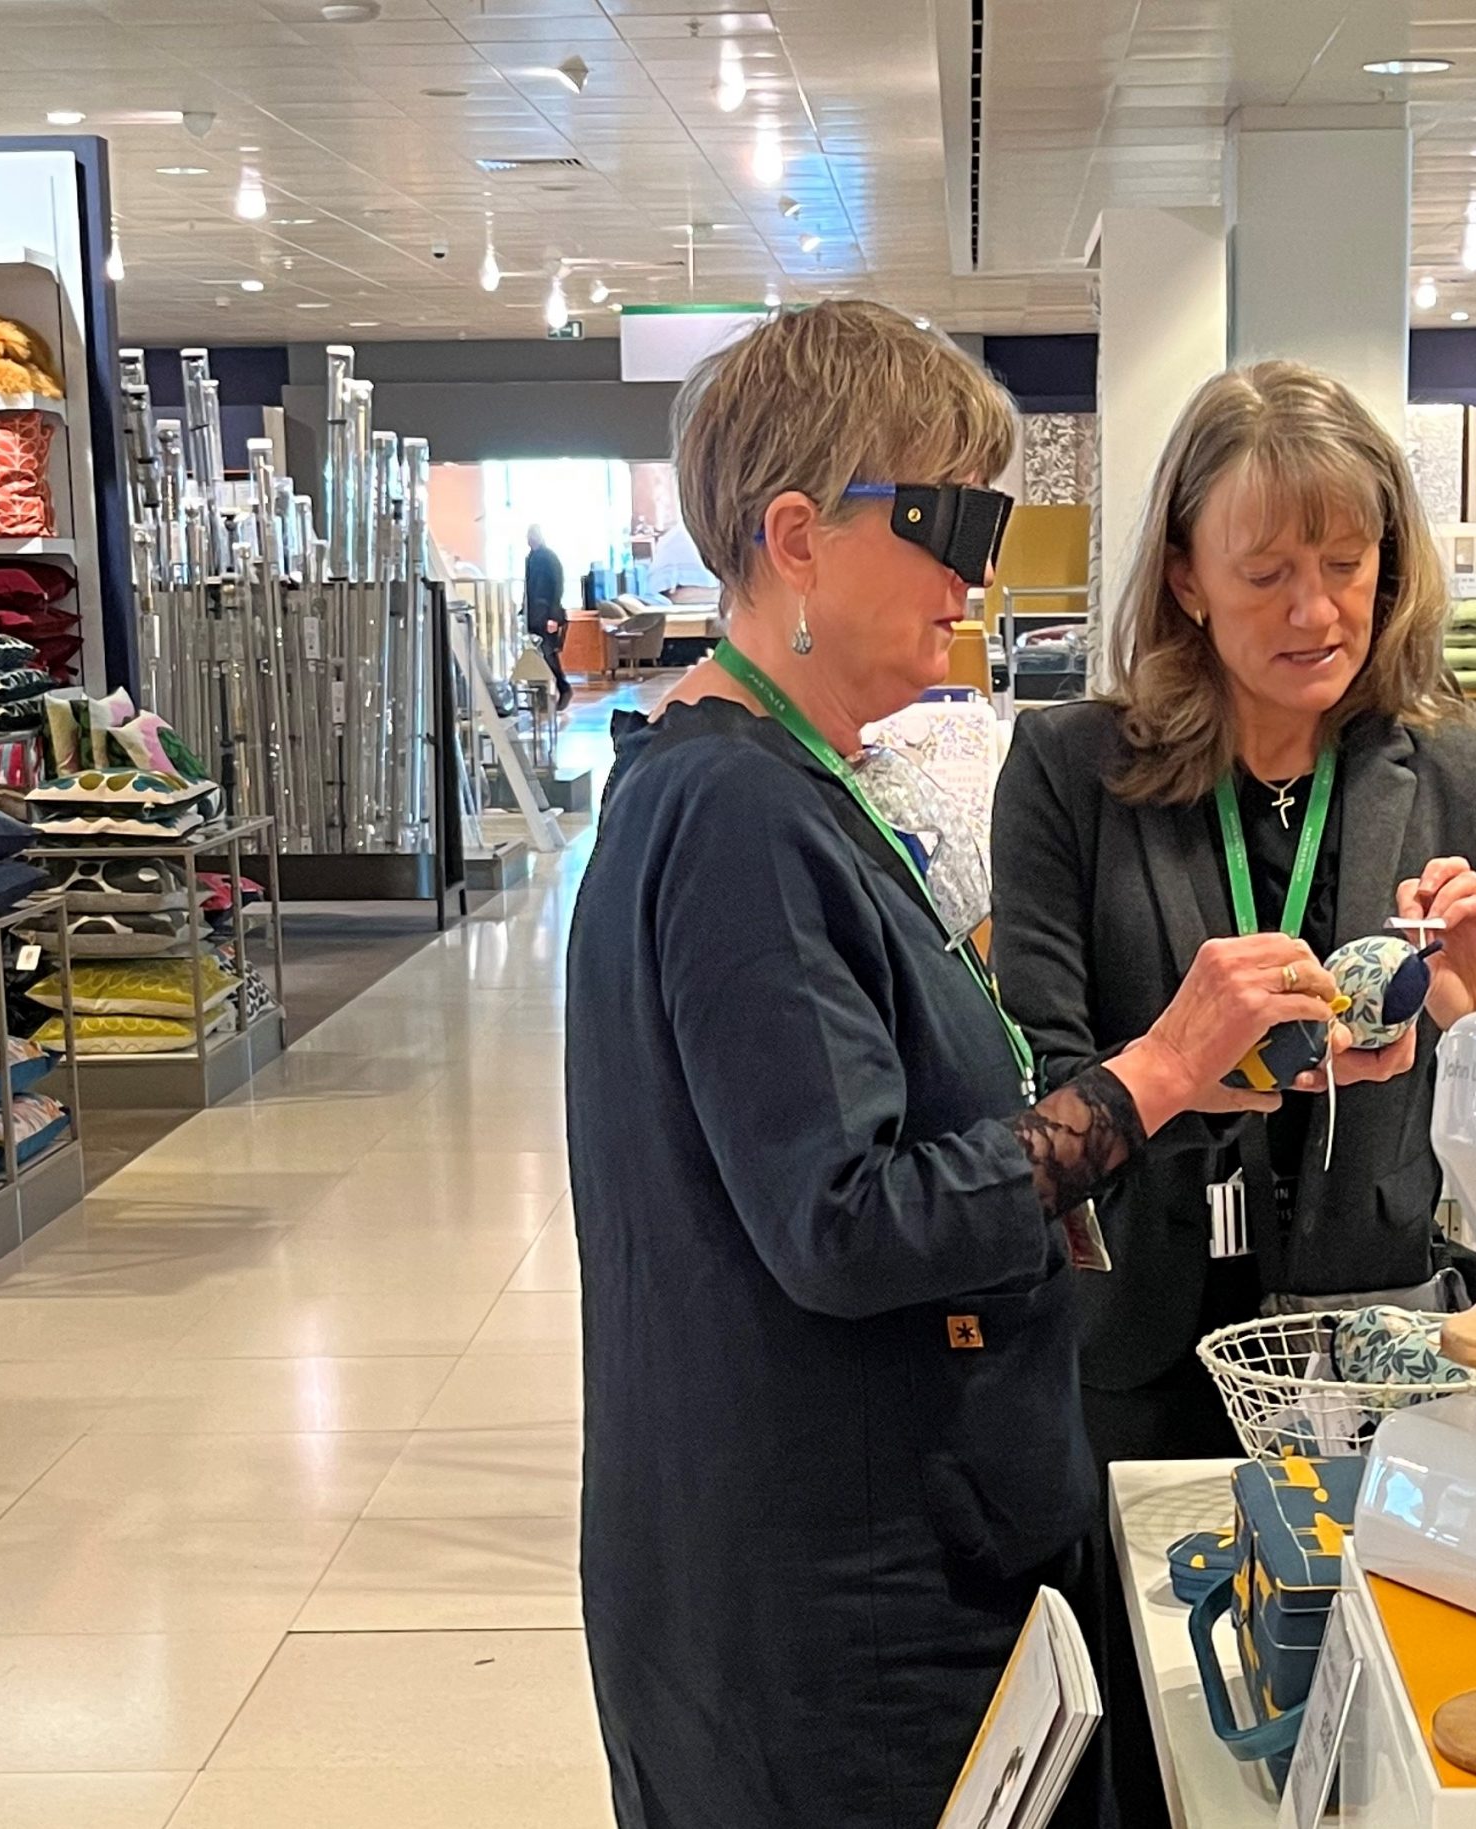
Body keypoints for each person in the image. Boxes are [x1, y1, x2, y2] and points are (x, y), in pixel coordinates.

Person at [566, 303, 1349, 1829]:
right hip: (838, 1614)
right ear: (795, 535)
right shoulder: (737, 817)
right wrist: (1150, 1076)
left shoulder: (774, 784)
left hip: (817, 1555)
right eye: (946, 522)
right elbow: (848, 1222)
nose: (975, 575)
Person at [990, 360, 1476, 1829]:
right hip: (1135, 1349)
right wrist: (1222, 1068)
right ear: (1184, 574)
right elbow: (1042, 1079)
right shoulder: (1071, 770)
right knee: (1159, 1736)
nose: (1316, 612)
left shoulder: (1453, 773)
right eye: (1267, 572)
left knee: (1355, 1737)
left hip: (1373, 1345)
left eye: (1346, 566)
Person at [524, 521, 570, 704]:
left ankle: (563, 688)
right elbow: (529, 588)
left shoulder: (549, 558)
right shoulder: (531, 558)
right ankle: (541, 696)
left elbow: (557, 587)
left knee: (548, 653)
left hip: (545, 614)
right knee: (536, 655)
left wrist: (553, 616)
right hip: (533, 614)